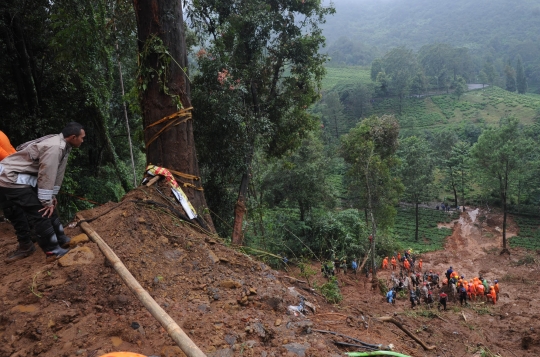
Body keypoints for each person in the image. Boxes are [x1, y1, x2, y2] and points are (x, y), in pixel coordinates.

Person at [0, 123, 85, 261]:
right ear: (73, 137)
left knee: (49, 206)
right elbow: (47, 173)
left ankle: (61, 238)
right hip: (10, 179)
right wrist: (46, 201)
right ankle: (52, 250)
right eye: (82, 138)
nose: (83, 140)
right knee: (41, 211)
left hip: (21, 177)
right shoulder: (54, 148)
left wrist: (51, 196)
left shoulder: (64, 146)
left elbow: (58, 173)